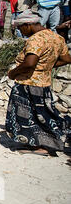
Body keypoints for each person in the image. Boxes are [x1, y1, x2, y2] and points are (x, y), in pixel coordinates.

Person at [6, 10, 71, 156]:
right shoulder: (56, 38)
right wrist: (46, 67)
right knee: (42, 114)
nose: (21, 31)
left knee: (28, 116)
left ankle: (40, 144)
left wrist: (13, 73)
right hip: (44, 84)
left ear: (28, 25)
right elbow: (67, 59)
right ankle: (42, 145)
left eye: (20, 28)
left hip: (28, 84)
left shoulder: (36, 39)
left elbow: (30, 63)